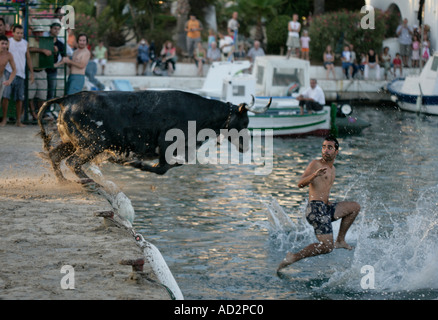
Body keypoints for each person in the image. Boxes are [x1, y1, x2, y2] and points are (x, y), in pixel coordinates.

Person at [277, 136, 361, 272]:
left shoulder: (333, 169)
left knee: (354, 207)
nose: (325, 150)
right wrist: (314, 175)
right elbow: (300, 183)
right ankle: (293, 257)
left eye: (329, 147)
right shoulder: (315, 164)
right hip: (315, 209)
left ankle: (340, 240)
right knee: (327, 247)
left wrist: (328, 202)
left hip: (325, 207)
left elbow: (323, 189)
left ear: (336, 151)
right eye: (323, 147)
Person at [1, 25, 34, 127]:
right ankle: (4, 119)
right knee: (5, 97)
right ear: (13, 32)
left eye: (21, 33)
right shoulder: (9, 42)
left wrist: (31, 72)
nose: (20, 35)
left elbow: (28, 58)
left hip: (21, 73)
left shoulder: (25, 43)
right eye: (18, 33)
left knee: (19, 98)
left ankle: (18, 120)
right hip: (8, 71)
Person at [29, 25, 51, 120]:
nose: (39, 34)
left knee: (42, 96)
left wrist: (54, 50)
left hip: (42, 71)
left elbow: (52, 50)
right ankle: (34, 115)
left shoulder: (46, 42)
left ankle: (39, 115)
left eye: (40, 32)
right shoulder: (31, 40)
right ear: (34, 33)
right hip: (32, 70)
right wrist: (42, 50)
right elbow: (29, 49)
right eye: (37, 32)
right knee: (30, 95)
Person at [46, 22, 65, 101]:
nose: (56, 31)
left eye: (58, 29)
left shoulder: (60, 44)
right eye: (55, 29)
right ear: (50, 29)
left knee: (51, 92)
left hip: (53, 70)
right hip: (42, 69)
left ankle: (48, 111)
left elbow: (65, 58)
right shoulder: (45, 41)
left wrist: (57, 64)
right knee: (41, 92)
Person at [0, 35, 16, 125]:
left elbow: (14, 69)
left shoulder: (8, 55)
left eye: (6, 44)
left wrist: (9, 80)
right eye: (2, 43)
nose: (4, 46)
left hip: (1, 78)